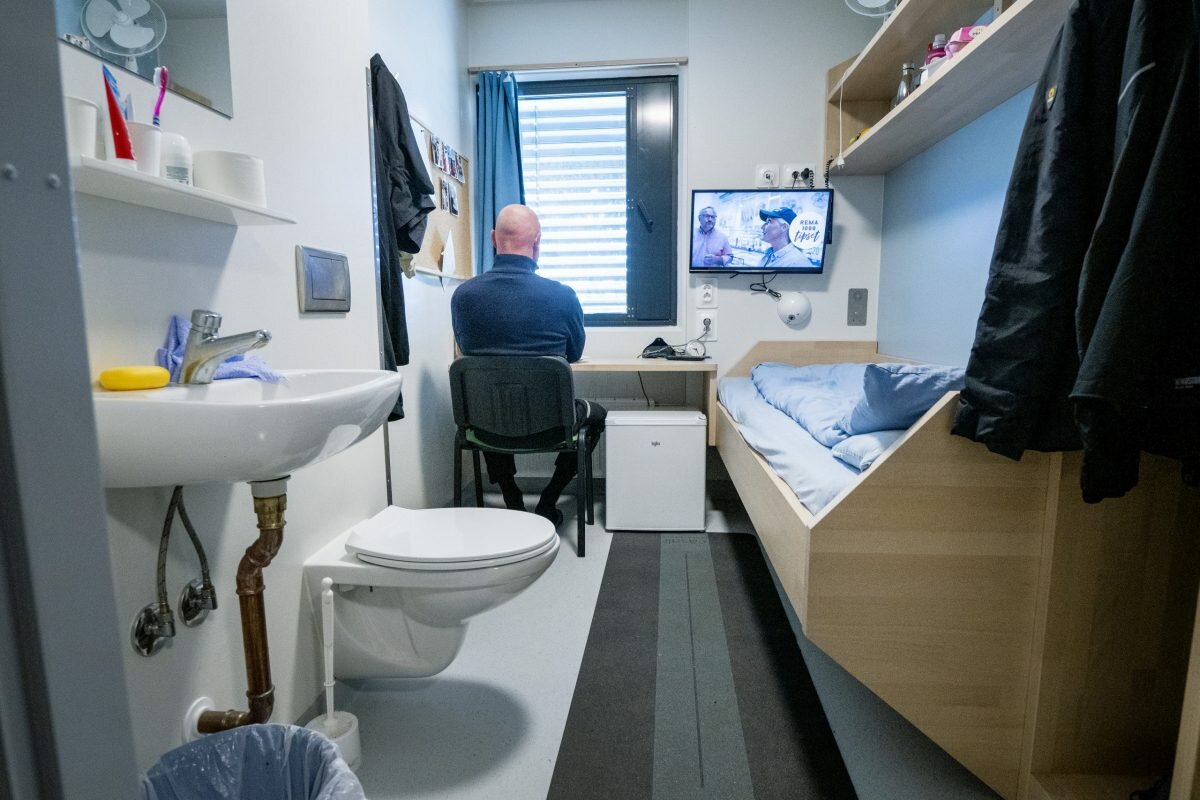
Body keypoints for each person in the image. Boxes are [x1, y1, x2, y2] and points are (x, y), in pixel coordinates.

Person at [451, 204, 607, 526]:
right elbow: (574, 353)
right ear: (537, 241)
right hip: (552, 426)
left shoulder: (463, 296)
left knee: (489, 406)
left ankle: (512, 500)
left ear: (494, 239)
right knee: (598, 416)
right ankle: (548, 501)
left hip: (485, 428)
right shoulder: (562, 296)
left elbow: (469, 351)